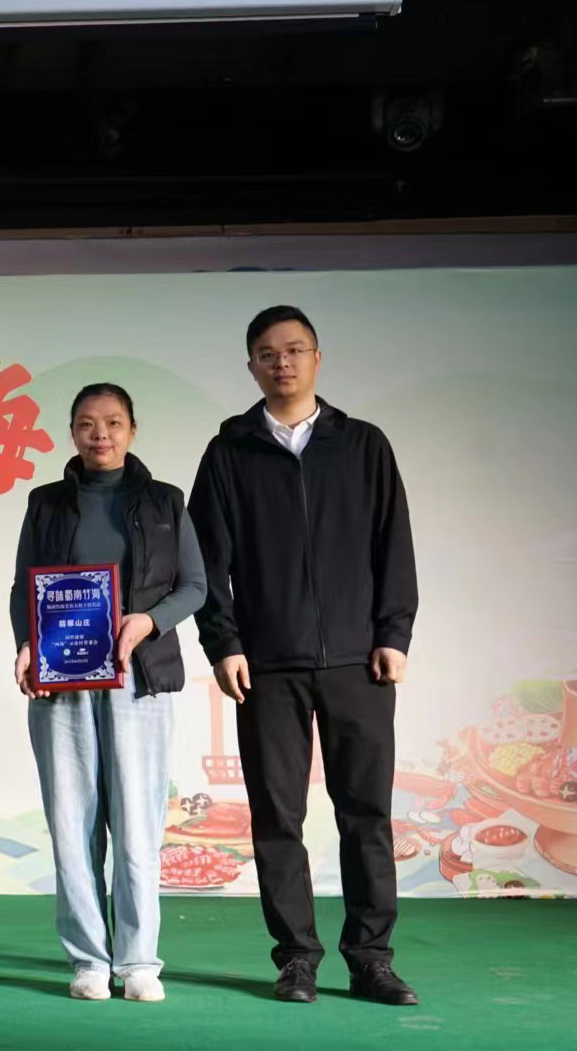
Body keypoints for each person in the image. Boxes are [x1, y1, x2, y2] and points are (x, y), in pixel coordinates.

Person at [190, 305, 420, 1006]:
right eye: (267, 353)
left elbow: (394, 544)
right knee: (277, 819)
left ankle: (371, 959)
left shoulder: (363, 445)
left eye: (294, 350)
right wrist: (224, 644)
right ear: (252, 366)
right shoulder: (228, 453)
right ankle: (296, 958)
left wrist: (394, 633)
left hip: (358, 661)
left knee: (366, 815)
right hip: (267, 666)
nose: (282, 362)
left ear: (318, 358)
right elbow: (206, 562)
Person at [9, 383, 208, 1002]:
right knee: (73, 824)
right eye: (88, 424)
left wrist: (148, 621)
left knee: (137, 823)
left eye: (114, 422)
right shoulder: (46, 503)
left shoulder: (166, 501)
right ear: (72, 432)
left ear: (132, 430)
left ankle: (139, 960)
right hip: (63, 679)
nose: (101, 434)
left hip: (140, 679)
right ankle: (89, 960)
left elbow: (195, 586)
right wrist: (27, 643)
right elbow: (24, 586)